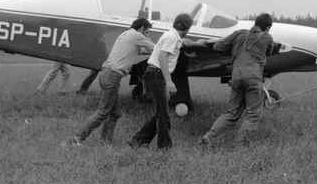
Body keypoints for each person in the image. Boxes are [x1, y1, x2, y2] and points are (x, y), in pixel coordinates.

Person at [128, 13, 207, 150]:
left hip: (155, 74)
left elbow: (184, 42)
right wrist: (169, 81)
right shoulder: (172, 37)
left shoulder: (174, 36)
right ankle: (164, 148)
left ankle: (138, 140)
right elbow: (162, 57)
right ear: (187, 27)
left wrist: (197, 43)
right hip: (156, 74)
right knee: (163, 116)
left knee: (161, 113)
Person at [69, 18, 154, 145]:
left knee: (114, 113)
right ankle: (77, 138)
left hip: (107, 74)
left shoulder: (126, 35)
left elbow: (143, 50)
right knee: (103, 112)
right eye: (147, 32)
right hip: (112, 76)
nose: (147, 35)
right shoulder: (136, 35)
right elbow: (153, 47)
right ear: (141, 29)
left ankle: (105, 142)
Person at [200, 12, 275, 148]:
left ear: (255, 23)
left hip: (236, 76)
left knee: (231, 113)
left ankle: (209, 138)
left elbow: (217, 46)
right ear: (268, 27)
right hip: (253, 76)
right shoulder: (267, 37)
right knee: (253, 114)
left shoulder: (239, 34)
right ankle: (240, 147)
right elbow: (270, 49)